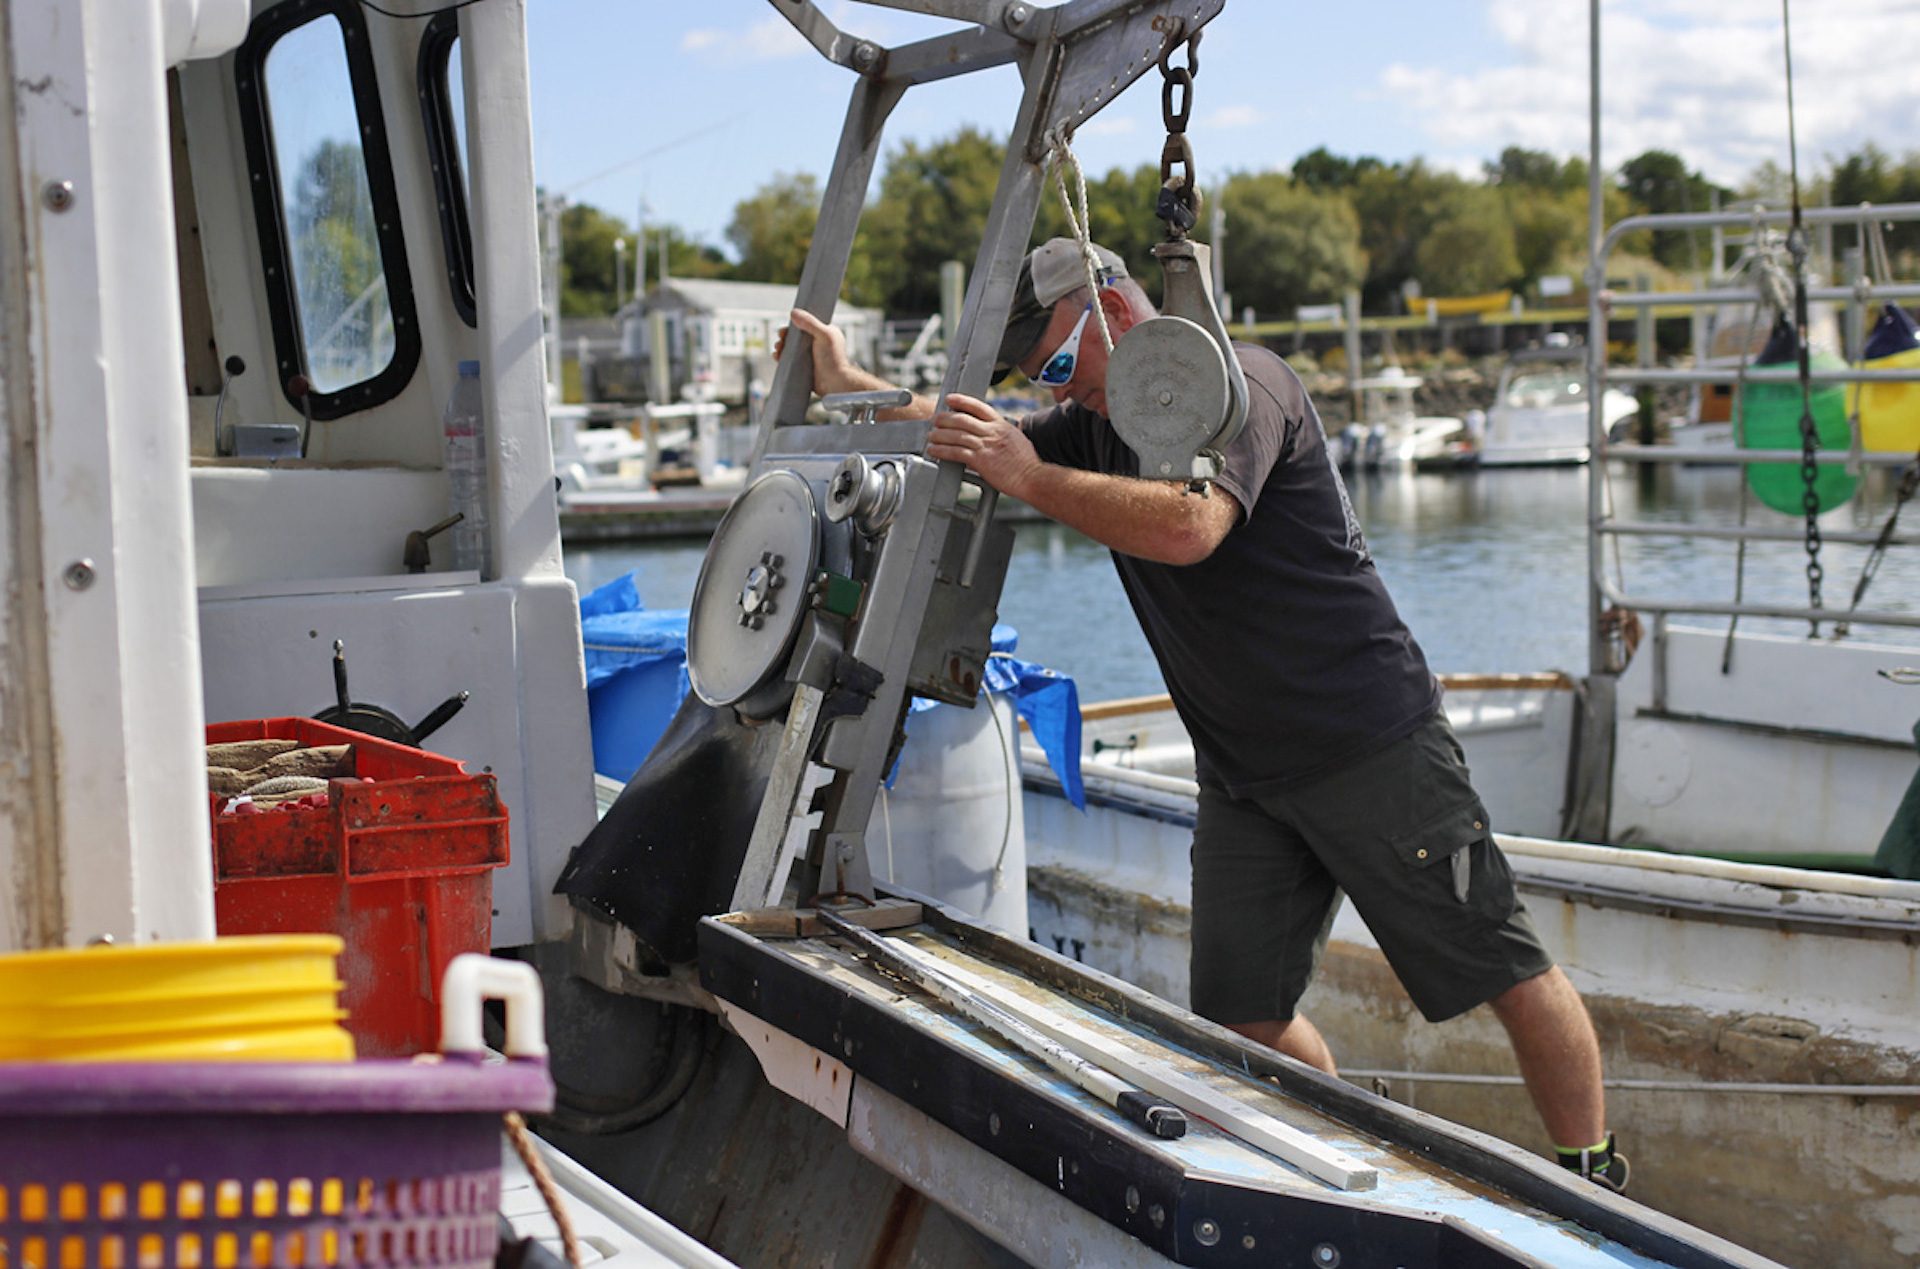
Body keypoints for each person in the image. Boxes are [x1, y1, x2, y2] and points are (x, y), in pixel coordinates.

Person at [782, 238, 1626, 1191]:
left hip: (1369, 741)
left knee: (1500, 968)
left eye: (1059, 365)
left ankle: (1591, 1171)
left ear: (1119, 309)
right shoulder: (1092, 422)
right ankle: (1350, 1165)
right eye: (1040, 378)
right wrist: (859, 385)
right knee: (1242, 1018)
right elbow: (969, 429)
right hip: (1243, 775)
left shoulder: (1245, 386)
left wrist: (1029, 476)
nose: (1058, 393)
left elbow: (1191, 525)